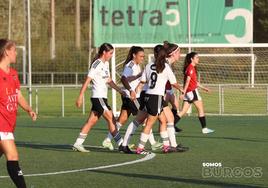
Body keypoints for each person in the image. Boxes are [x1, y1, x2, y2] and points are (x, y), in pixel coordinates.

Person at [102, 46, 162, 152]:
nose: (142, 58)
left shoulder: (136, 65)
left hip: (128, 96)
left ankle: (107, 139)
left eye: (143, 56)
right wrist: (131, 90)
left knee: (122, 120)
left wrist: (138, 77)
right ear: (134, 55)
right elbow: (124, 78)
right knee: (143, 118)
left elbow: (130, 78)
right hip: (132, 97)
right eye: (141, 56)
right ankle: (153, 143)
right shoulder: (130, 65)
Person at [72, 43, 125, 152]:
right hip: (98, 97)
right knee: (111, 119)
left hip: (102, 98)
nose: (111, 55)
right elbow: (87, 80)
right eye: (110, 53)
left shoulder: (105, 64)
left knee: (91, 121)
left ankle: (78, 143)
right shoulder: (96, 64)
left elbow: (108, 80)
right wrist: (80, 96)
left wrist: (119, 90)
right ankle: (121, 144)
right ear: (104, 52)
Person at [135, 45, 187, 154]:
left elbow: (145, 81)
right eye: (178, 52)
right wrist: (179, 90)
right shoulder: (165, 65)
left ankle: (168, 146)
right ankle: (140, 148)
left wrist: (137, 90)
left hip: (150, 95)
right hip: (156, 96)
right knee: (149, 123)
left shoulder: (153, 65)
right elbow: (171, 82)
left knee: (165, 120)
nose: (180, 55)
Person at [0, 39, 37, 188]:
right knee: (13, 156)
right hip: (1, 124)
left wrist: (29, 109)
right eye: (14, 50)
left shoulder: (14, 74)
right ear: (6, 52)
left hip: (9, 123)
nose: (16, 53)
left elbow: (18, 95)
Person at [177, 52, 214, 134]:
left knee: (183, 111)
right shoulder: (190, 68)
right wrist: (183, 93)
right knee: (200, 109)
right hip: (192, 92)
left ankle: (171, 127)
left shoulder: (191, 68)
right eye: (196, 57)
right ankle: (204, 129)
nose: (198, 59)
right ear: (191, 59)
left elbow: (195, 82)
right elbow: (187, 81)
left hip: (188, 92)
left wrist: (204, 88)